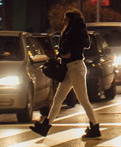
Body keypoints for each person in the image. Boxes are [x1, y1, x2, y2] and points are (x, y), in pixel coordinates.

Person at [30, 9, 100, 139]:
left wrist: (60, 54)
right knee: (58, 99)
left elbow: (67, 53)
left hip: (75, 68)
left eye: (65, 19)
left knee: (83, 100)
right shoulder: (79, 33)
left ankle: (95, 126)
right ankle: (46, 125)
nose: (63, 21)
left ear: (70, 20)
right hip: (71, 68)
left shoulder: (71, 34)